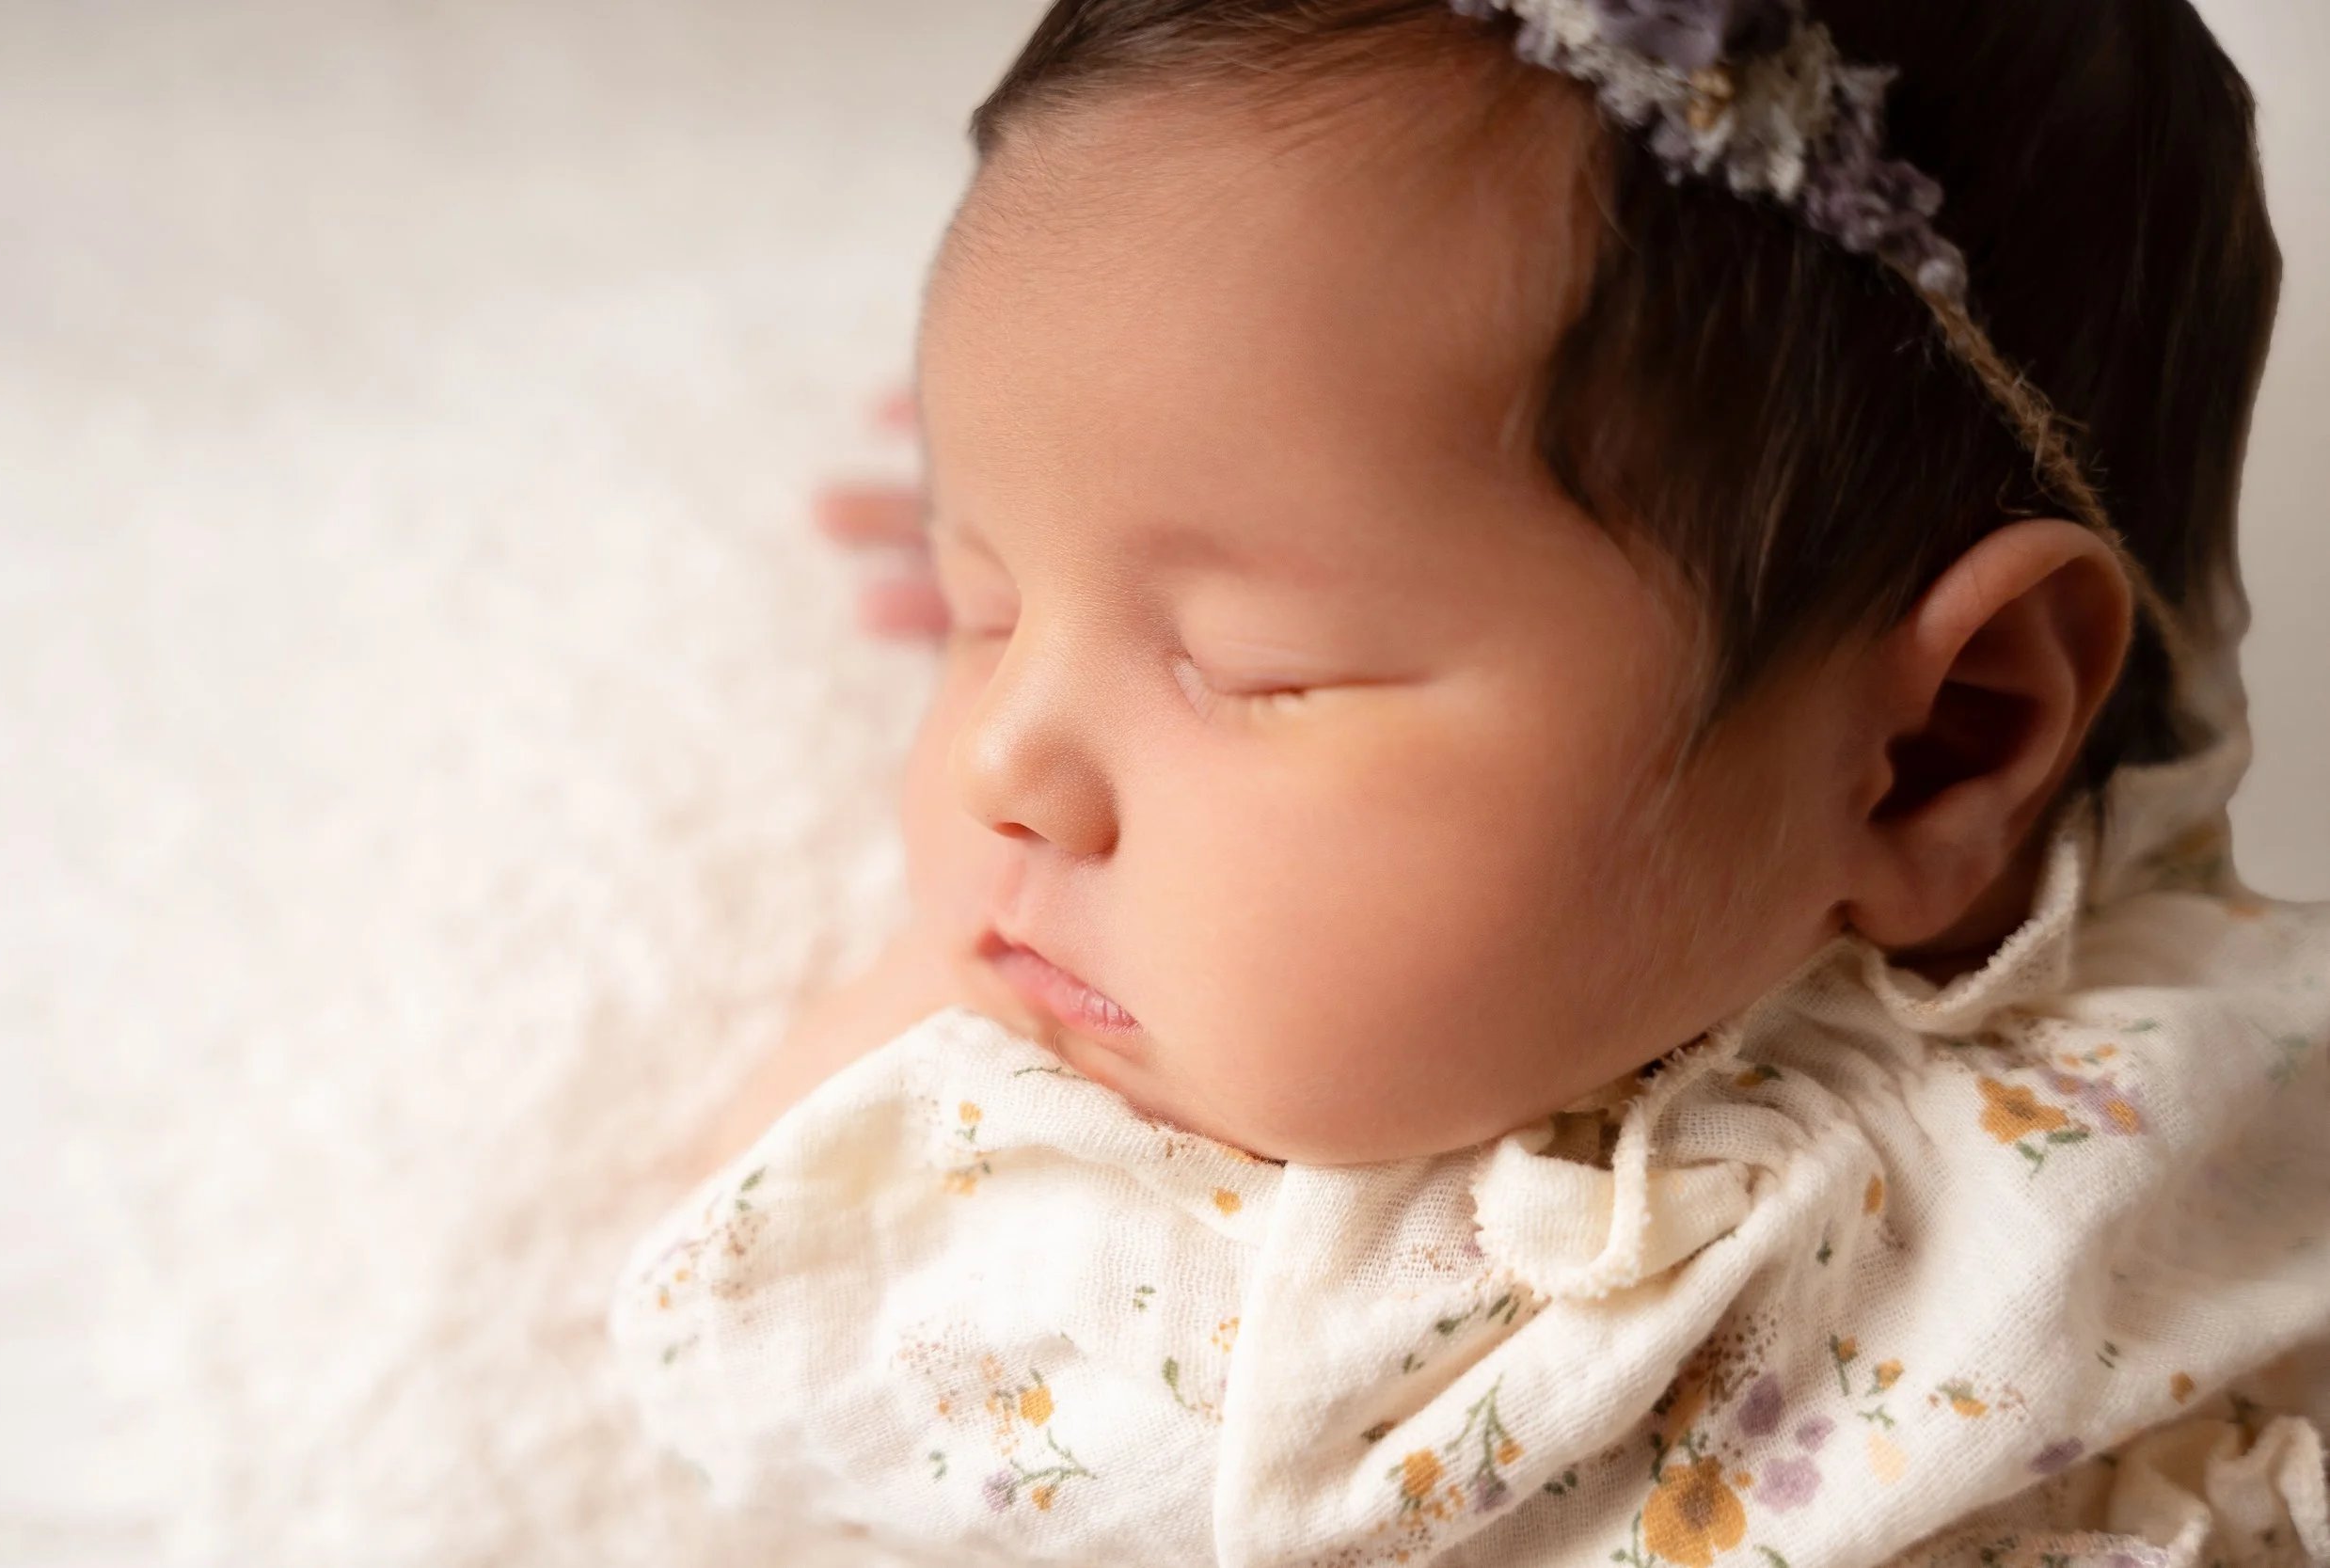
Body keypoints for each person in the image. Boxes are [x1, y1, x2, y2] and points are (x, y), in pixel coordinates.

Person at [612, 1, 2330, 1562]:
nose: (1003, 763)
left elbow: (747, 1297)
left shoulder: (1381, 1340)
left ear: (1937, 750)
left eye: (1256, 661)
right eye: (980, 606)